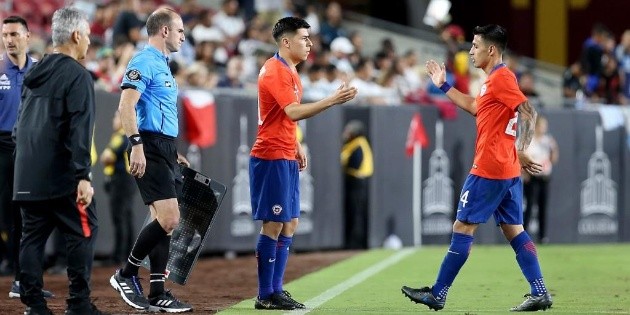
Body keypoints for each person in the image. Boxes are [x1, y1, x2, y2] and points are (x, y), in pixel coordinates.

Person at [401, 24, 553, 312]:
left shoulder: (501, 78)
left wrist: (521, 148)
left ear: (491, 50)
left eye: (475, 46)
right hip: (506, 170)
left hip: (490, 167)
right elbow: (474, 106)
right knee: (514, 230)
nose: (470, 51)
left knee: (462, 226)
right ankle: (540, 291)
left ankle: (439, 293)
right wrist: (444, 84)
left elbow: (528, 111)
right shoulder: (492, 81)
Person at [250, 16, 357, 310]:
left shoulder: (290, 70)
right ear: (286, 42)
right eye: (304, 38)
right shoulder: (276, 71)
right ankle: (265, 294)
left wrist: (296, 144)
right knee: (274, 224)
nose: (310, 43)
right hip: (270, 154)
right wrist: (331, 100)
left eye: (310, 38)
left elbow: (280, 116)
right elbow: (294, 112)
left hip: (285, 151)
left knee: (290, 223)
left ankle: (276, 289)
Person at [12, 7, 105, 315]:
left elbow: (18, 128)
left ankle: (35, 307)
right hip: (63, 175)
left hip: (26, 174)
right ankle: (78, 304)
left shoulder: (32, 74)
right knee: (83, 230)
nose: (90, 42)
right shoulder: (78, 75)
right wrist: (82, 176)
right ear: (76, 35)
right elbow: (80, 128)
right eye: (89, 35)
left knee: (31, 239)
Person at [108, 8, 193, 313]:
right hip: (149, 144)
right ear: (165, 31)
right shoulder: (143, 60)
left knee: (165, 224)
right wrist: (137, 145)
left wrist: (172, 150)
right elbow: (126, 104)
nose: (184, 36)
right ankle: (126, 273)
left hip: (164, 147)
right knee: (170, 218)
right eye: (180, 30)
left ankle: (157, 291)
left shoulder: (162, 64)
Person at [0, 15, 56, 300]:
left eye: (13, 34)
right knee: (10, 215)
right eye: (5, 34)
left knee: (29, 214)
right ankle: (19, 277)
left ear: (27, 36)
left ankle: (23, 279)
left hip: (33, 149)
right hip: (3, 149)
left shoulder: (41, 70)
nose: (9, 40)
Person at [100, 110, 136, 265]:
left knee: (119, 218)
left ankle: (119, 256)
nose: (113, 120)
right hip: (130, 181)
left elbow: (106, 157)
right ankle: (128, 255)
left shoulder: (120, 137)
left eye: (115, 116)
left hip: (120, 181)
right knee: (126, 217)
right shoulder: (131, 137)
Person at [522, 116, 559, 244]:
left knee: (543, 207)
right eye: (542, 126)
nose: (544, 128)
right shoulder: (529, 140)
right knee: (530, 206)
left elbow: (553, 159)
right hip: (532, 177)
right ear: (536, 126)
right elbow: (522, 157)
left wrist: (554, 149)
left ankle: (542, 237)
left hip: (544, 177)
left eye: (545, 126)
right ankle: (523, 235)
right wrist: (524, 173)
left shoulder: (547, 141)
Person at [340, 120, 373, 249]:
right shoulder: (354, 144)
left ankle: (355, 243)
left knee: (356, 212)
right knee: (353, 212)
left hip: (357, 183)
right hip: (355, 182)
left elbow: (355, 164)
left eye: (349, 131)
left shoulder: (358, 145)